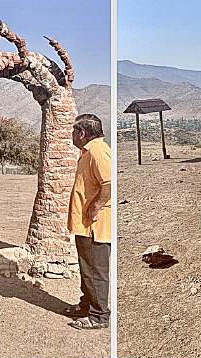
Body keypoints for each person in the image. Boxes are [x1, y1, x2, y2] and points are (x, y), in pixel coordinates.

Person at [66, 113, 112, 330]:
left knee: (96, 270)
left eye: (74, 131)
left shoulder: (98, 152)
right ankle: (86, 306)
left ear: (82, 133)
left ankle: (99, 316)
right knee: (88, 268)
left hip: (96, 225)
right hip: (86, 224)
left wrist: (95, 207)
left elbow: (109, 184)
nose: (72, 135)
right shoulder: (89, 152)